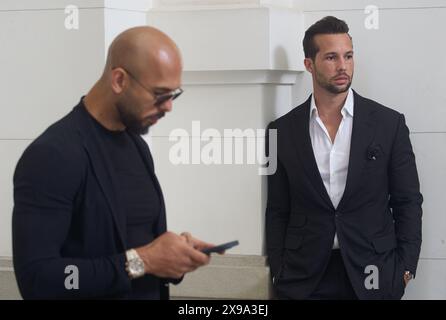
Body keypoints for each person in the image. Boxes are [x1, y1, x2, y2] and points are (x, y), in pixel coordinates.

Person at [12, 26, 215, 299]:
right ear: (119, 80)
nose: (169, 107)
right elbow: (38, 280)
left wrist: (173, 255)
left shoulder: (137, 147)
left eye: (173, 94)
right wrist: (143, 260)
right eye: (160, 95)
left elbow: (137, 246)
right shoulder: (54, 155)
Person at [265, 16, 423, 300]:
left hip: (374, 273)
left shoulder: (389, 124)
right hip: (305, 278)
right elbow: (278, 209)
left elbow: (408, 201)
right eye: (331, 57)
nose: (343, 66)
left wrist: (406, 267)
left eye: (348, 56)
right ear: (309, 65)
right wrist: (279, 269)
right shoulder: (281, 131)